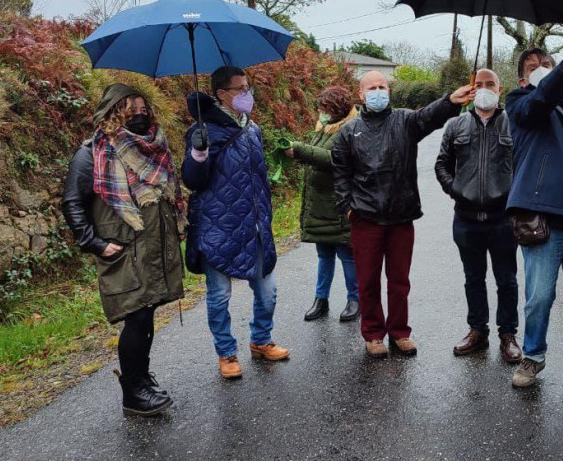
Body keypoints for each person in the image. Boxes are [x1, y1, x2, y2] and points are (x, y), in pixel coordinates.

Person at [331, 70, 474, 358]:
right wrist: (347, 207)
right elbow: (340, 174)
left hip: (401, 215)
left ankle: (399, 332)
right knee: (368, 280)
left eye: (382, 86)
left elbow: (429, 117)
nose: (377, 91)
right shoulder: (348, 132)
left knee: (399, 281)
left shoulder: (405, 121)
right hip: (365, 218)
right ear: (361, 95)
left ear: (389, 91)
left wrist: (451, 101)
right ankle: (373, 334)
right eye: (371, 87)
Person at [62, 83, 184, 416]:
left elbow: (167, 194)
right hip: (124, 250)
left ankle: (141, 379)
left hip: (154, 249)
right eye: (131, 110)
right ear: (115, 112)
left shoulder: (152, 149)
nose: (140, 115)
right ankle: (133, 391)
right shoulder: (92, 153)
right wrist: (95, 244)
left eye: (144, 110)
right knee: (136, 316)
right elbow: (72, 203)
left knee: (146, 315)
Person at [505, 30, 563, 402]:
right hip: (542, 217)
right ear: (522, 79)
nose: (544, 70)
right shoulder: (520, 102)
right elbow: (541, 101)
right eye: (535, 67)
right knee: (539, 297)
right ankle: (533, 357)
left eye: (548, 63)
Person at [182, 66, 290, 379]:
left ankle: (261, 340)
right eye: (240, 89)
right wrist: (198, 153)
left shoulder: (252, 128)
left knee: (267, 290)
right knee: (219, 296)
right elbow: (192, 180)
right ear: (221, 94)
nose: (247, 94)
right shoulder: (205, 131)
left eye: (248, 87)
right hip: (219, 226)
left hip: (254, 226)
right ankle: (226, 353)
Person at [435, 68, 521, 363]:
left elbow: (522, 165)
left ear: (500, 89)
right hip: (466, 218)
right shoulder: (456, 126)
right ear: (471, 89)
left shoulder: (513, 125)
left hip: (503, 220)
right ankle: (477, 330)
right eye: (479, 84)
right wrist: (456, 189)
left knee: (506, 278)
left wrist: (513, 196)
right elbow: (442, 165)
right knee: (473, 277)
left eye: (490, 84)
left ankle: (508, 334)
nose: (484, 88)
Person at [285, 86, 361, 323]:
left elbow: (334, 159)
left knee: (346, 254)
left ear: (337, 109)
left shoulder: (351, 130)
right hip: (320, 205)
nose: (321, 112)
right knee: (324, 253)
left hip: (339, 205)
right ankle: (321, 299)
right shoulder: (325, 129)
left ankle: (355, 299)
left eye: (325, 108)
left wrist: (300, 150)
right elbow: (317, 155)